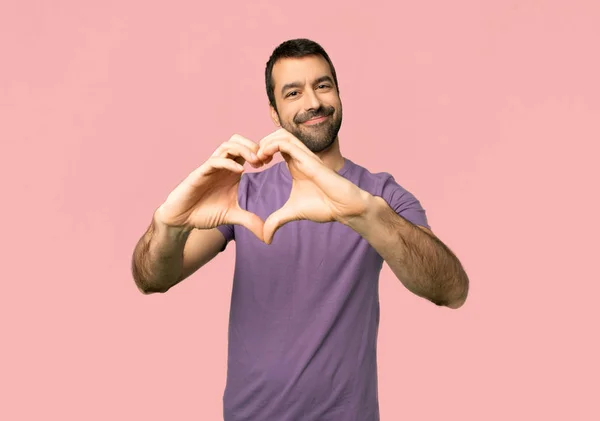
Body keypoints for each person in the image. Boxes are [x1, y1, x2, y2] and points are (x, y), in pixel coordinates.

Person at [131, 38, 469, 420]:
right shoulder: (241, 192)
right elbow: (153, 278)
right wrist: (168, 225)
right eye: (293, 92)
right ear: (274, 113)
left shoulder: (380, 196)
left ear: (339, 94)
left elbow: (451, 289)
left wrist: (368, 214)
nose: (312, 102)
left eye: (322, 85)